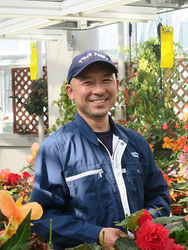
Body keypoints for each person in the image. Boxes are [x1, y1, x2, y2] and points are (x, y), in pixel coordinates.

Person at [30, 50, 170, 250]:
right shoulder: (56, 149)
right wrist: (95, 235)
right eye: (87, 83)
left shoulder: (135, 141)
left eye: (106, 80)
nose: (98, 90)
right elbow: (42, 215)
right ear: (70, 92)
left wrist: (147, 224)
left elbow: (158, 194)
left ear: (116, 85)